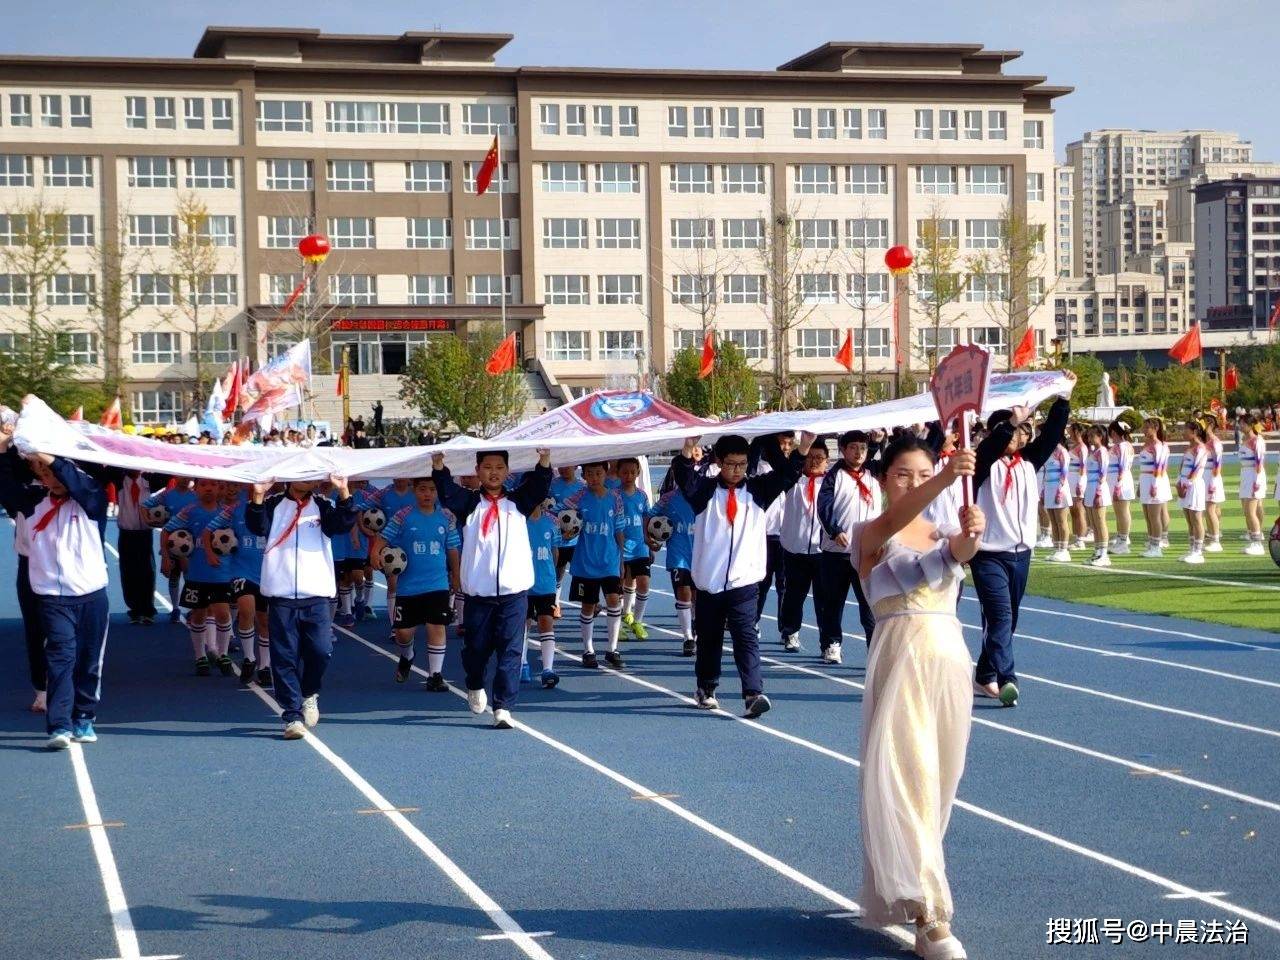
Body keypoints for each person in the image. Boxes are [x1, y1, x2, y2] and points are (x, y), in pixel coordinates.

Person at [853, 436, 983, 960]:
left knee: (941, 783)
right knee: (912, 779)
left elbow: (962, 553)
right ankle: (931, 915)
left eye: (924, 473)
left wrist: (973, 532)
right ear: (884, 479)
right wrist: (947, 476)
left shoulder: (942, 531)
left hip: (948, 660)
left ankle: (916, 885)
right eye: (903, 474)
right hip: (900, 660)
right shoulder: (869, 531)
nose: (913, 482)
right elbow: (891, 522)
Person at [672, 431, 814, 717]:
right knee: (709, 638)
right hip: (710, 581)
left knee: (746, 636)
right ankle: (706, 687)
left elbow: (787, 474)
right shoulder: (704, 491)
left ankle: (753, 693)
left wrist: (804, 447)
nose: (737, 471)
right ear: (719, 462)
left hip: (745, 581)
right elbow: (685, 477)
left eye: (742, 464)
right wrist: (687, 449)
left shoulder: (758, 490)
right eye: (731, 464)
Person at [0, 415, 110, 750]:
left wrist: (47, 453)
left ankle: (84, 717)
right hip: (51, 597)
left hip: (91, 595)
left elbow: (74, 480)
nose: (52, 478)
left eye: (56, 471)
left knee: (89, 662)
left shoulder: (91, 499)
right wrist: (4, 447)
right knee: (60, 658)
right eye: (45, 474)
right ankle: (59, 725)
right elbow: (4, 483)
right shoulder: (32, 501)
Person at [971, 375, 1073, 708]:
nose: (1018, 437)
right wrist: (1010, 422)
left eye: (1021, 431)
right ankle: (1007, 679)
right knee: (999, 616)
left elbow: (1052, 434)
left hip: (1021, 553)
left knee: (1009, 619)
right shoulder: (982, 465)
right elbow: (988, 448)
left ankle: (984, 672)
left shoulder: (1029, 461)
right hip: (989, 553)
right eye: (1012, 431)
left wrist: (1063, 399)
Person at [431, 448, 551, 729]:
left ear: (507, 471)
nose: (493, 472)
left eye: (499, 467)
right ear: (477, 471)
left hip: (514, 594)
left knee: (511, 650)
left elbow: (539, 487)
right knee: (476, 650)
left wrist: (544, 460)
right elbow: (447, 492)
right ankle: (474, 683)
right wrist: (438, 466)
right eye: (487, 467)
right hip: (479, 595)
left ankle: (503, 706)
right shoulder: (469, 503)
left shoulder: (518, 501)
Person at [247, 473, 357, 739]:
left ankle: (309, 692)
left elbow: (342, 524)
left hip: (316, 594)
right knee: (284, 657)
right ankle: (292, 716)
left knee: (321, 651)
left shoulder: (323, 505)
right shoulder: (273, 504)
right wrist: (258, 495)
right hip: (282, 596)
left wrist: (344, 492)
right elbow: (257, 527)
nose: (305, 478)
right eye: (300, 473)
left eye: (310, 474)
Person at [381, 477, 461, 691]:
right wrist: (376, 554)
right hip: (408, 587)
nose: (428, 494)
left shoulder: (447, 517)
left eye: (432, 489)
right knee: (403, 633)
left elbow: (453, 549)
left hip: (437, 584)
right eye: (423, 489)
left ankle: (435, 675)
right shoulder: (403, 516)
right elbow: (383, 538)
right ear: (414, 491)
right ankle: (407, 655)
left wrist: (456, 575)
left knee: (437, 626)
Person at [816, 430, 882, 660]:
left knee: (870, 606)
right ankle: (832, 643)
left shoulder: (873, 472)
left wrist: (878, 441)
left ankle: (875, 649)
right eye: (853, 448)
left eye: (862, 448)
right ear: (843, 450)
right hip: (837, 552)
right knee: (833, 602)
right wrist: (835, 531)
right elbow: (824, 507)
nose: (858, 453)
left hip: (867, 553)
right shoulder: (834, 476)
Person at [166, 479, 236, 676]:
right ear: (196, 489)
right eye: (204, 485)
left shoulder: (226, 513)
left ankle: (223, 654)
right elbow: (167, 531)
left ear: (219, 488)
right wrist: (168, 556)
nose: (209, 488)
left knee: (223, 613)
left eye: (212, 485)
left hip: (221, 573)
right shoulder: (189, 511)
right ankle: (200, 656)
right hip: (196, 573)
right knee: (199, 614)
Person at [563, 463, 628, 670]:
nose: (594, 478)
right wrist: (565, 531)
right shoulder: (578, 497)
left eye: (598, 473)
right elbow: (561, 516)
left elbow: (619, 529)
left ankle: (612, 649)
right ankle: (588, 650)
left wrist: (622, 559)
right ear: (584, 475)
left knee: (614, 601)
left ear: (605, 474)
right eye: (589, 474)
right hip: (585, 562)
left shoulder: (615, 498)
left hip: (609, 560)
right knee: (588, 605)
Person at [0, 435, 47, 713]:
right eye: (36, 462)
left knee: (63, 633)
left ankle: (66, 684)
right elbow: (4, 480)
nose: (41, 467)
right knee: (35, 630)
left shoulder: (71, 492)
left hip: (61, 568)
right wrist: (4, 446)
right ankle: (41, 689)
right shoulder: (21, 494)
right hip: (29, 566)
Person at [776, 438, 830, 652]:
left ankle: (828, 643)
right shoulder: (793, 481)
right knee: (793, 596)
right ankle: (790, 632)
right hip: (795, 549)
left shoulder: (831, 483)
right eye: (810, 457)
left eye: (819, 458)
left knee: (824, 601)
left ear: (827, 461)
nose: (814, 461)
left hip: (822, 551)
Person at [648, 483, 698, 656]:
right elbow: (649, 516)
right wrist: (650, 539)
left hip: (701, 555)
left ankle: (695, 625)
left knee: (698, 596)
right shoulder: (668, 498)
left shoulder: (704, 494)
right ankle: (688, 638)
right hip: (678, 555)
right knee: (683, 593)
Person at [752, 432, 794, 626]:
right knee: (762, 582)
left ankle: (785, 627)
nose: (786, 447)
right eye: (782, 443)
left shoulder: (793, 469)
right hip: (764, 536)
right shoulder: (760, 468)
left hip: (785, 536)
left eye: (789, 444)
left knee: (784, 584)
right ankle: (754, 621)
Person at [524, 498, 562, 687]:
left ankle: (548, 669)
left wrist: (550, 574)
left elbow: (555, 552)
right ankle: (522, 663)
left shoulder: (552, 522)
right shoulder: (519, 522)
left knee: (546, 622)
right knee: (523, 624)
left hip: (545, 583)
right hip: (522, 582)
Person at [615, 457, 653, 640]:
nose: (629, 475)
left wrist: (649, 542)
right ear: (618, 473)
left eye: (632, 472)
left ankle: (637, 621)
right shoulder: (614, 496)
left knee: (643, 582)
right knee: (620, 585)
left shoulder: (642, 496)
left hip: (640, 547)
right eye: (625, 472)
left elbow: (646, 519)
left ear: (638, 473)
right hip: (620, 548)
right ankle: (619, 622)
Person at [548, 465, 586, 616]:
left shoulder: (582, 487)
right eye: (561, 467)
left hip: (577, 540)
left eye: (568, 466)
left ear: (575, 466)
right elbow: (548, 509)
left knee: (582, 572)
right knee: (558, 572)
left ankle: (589, 602)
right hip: (559, 539)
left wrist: (577, 528)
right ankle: (555, 604)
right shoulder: (553, 485)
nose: (564, 469)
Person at [1137, 417, 1173, 558]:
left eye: (1147, 428)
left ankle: (1157, 547)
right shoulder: (1146, 444)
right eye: (1144, 427)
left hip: (1155, 481)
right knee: (1148, 516)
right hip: (1145, 480)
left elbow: (1159, 467)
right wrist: (1140, 485)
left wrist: (1155, 485)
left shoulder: (1159, 446)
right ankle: (1152, 543)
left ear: (1156, 428)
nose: (1144, 430)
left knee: (1154, 516)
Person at [1177, 421, 1209, 565]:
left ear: (1195, 432)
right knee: (1189, 520)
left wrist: (1187, 485)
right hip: (1184, 484)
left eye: (1185, 430)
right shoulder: (1189, 448)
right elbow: (1182, 467)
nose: (1183, 432)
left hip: (1194, 485)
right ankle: (1192, 549)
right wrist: (1179, 483)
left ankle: (1198, 551)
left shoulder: (1201, 448)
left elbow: (1196, 468)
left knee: (1196, 519)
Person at [1237, 412, 1267, 555]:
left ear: (1250, 425)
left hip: (1255, 476)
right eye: (1240, 423)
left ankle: (1258, 543)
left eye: (1243, 424)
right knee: (1246, 511)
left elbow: (1259, 463)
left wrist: (1256, 481)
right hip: (1245, 475)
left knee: (1251, 511)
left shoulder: (1257, 441)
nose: (1240, 426)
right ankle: (1252, 540)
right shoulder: (1244, 440)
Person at [1082, 425, 1112, 567]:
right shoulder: (1093, 451)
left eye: (1092, 436)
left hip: (1098, 488)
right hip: (1090, 487)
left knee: (1100, 521)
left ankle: (1104, 554)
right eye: (1088, 436)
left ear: (1100, 436)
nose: (1089, 439)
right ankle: (1098, 552)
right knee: (1094, 524)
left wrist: (1098, 492)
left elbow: (1103, 473)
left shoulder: (1103, 452)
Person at [1040, 436, 1073, 563]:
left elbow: (1064, 472)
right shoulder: (1048, 451)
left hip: (1060, 489)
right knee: (1053, 521)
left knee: (1061, 520)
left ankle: (1064, 550)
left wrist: (1060, 490)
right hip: (1049, 488)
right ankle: (1057, 548)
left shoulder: (1062, 452)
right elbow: (1045, 472)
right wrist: (1043, 490)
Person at [1106, 421, 1136, 556]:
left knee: (1122, 511)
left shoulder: (1123, 446)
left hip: (1121, 481)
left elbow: (1122, 466)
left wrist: (1118, 485)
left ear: (1113, 432)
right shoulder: (1120, 446)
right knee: (1119, 512)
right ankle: (1121, 538)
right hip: (1116, 480)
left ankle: (1123, 542)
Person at [1064, 422, 1089, 550]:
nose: (1069, 433)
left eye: (1070, 431)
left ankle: (1081, 540)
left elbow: (1083, 467)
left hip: (1077, 480)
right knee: (1073, 510)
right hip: (1070, 480)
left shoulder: (1083, 447)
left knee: (1079, 509)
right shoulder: (1074, 446)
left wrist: (1080, 482)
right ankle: (1076, 537)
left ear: (1077, 432)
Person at [1202, 418, 1225, 553]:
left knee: (1210, 510)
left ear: (1210, 425)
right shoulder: (1207, 441)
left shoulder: (1215, 442)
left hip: (1211, 478)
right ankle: (1212, 536)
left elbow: (1218, 464)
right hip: (1205, 476)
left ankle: (1216, 540)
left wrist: (1213, 482)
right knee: (1209, 510)